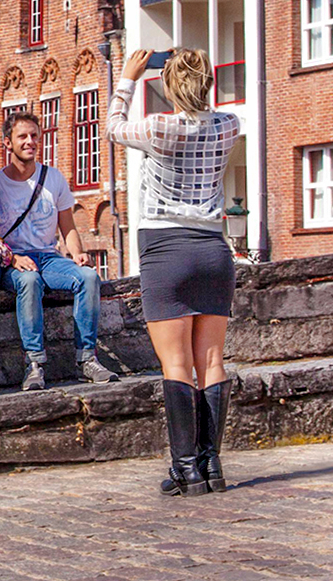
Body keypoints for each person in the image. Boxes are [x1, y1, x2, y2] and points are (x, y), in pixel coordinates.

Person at [108, 47, 240, 497]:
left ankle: (185, 468)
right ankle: (212, 463)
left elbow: (113, 128)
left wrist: (127, 77)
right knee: (212, 361)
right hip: (212, 249)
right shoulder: (229, 125)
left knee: (177, 362)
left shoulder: (160, 127)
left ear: (170, 87)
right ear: (207, 83)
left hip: (166, 248)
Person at [0, 111, 120, 389]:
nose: (30, 142)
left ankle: (87, 358)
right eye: (22, 137)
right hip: (13, 262)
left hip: (49, 257)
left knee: (88, 278)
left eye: (34, 136)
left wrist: (78, 253)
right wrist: (14, 258)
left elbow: (69, 228)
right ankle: (35, 363)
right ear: (7, 143)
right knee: (29, 281)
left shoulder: (53, 179)